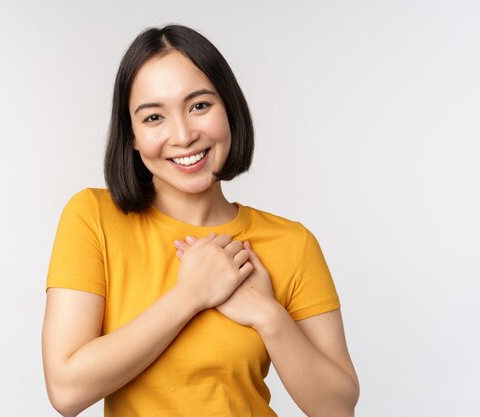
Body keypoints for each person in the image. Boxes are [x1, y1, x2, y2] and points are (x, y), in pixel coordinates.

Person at [42, 24, 359, 417]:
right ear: (133, 136)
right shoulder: (93, 218)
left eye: (199, 106)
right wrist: (190, 295)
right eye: (154, 117)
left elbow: (338, 408)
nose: (183, 135)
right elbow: (67, 390)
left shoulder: (292, 243)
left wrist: (267, 315)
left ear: (228, 108)